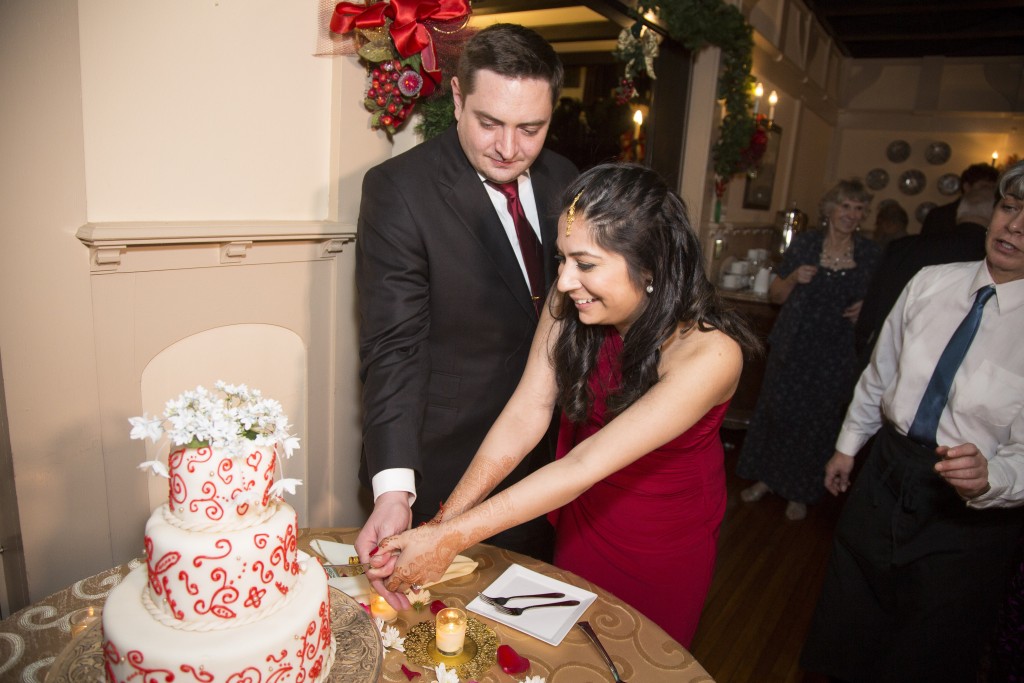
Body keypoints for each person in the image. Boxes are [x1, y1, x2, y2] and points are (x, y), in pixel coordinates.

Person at [364, 163, 760, 646]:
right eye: (561, 259)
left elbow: (583, 462)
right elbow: (525, 412)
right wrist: (440, 524)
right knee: (568, 651)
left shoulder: (710, 354)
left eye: (586, 264)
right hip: (581, 514)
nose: (565, 280)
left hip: (662, 539)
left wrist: (447, 541)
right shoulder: (570, 298)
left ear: (651, 265)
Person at [354, 23, 578, 607]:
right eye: (489, 122)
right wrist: (395, 488)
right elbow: (393, 348)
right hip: (442, 471)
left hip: (549, 464)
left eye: (531, 128)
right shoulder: (399, 190)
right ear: (456, 98)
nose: (509, 147)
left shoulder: (566, 180)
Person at [800, 160, 1024, 682]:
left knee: (928, 649)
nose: (1013, 226)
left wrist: (994, 479)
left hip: (969, 511)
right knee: (846, 628)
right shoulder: (930, 282)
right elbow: (881, 374)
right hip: (885, 475)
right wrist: (847, 447)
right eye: (1009, 209)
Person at [737, 179, 881, 520]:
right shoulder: (805, 244)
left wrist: (867, 307)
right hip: (794, 344)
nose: (851, 214)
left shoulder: (870, 253)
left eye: (858, 208)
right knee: (779, 412)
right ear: (830, 209)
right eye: (845, 206)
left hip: (837, 350)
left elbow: (884, 301)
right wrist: (792, 279)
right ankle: (766, 479)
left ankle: (800, 491)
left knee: (817, 421)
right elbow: (775, 295)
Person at [854, 188, 993, 369]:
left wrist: (863, 349)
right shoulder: (992, 263)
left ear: (958, 213)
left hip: (886, 359)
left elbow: (869, 316)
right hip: (947, 370)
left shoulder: (903, 248)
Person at [920, 162, 999, 236]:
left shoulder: (995, 215)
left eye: (993, 188)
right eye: (984, 187)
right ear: (967, 187)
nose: (989, 192)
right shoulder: (939, 215)